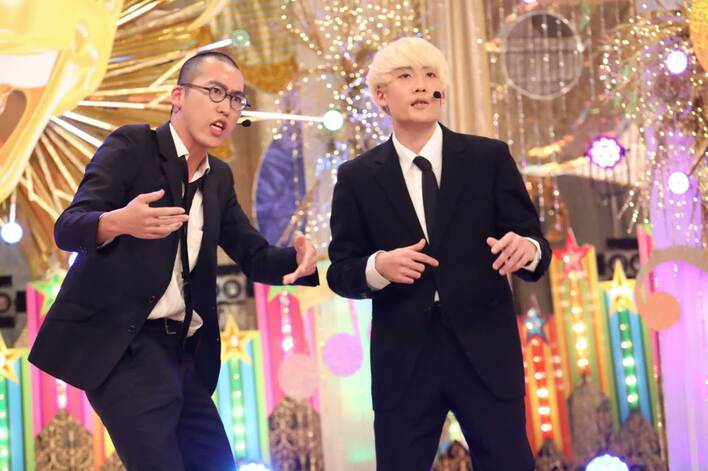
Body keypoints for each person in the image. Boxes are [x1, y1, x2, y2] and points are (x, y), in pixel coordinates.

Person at [29, 51, 319, 470]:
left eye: (236, 99)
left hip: (184, 353)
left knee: (216, 463)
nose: (226, 108)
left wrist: (299, 261)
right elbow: (68, 227)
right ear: (178, 96)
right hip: (126, 348)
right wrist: (118, 222)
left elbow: (253, 255)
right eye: (215, 91)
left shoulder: (218, 178)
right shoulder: (133, 146)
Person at [326, 37, 551, 470]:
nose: (421, 85)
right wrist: (378, 267)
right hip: (404, 358)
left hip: (485, 348)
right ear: (381, 96)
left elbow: (533, 241)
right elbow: (340, 271)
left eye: (430, 75)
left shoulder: (488, 158)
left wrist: (527, 249)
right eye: (405, 76)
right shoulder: (357, 177)